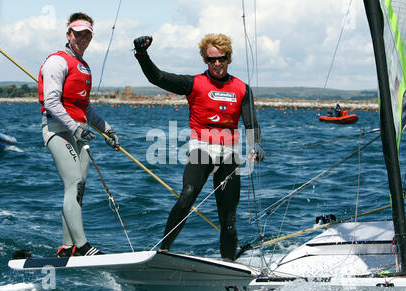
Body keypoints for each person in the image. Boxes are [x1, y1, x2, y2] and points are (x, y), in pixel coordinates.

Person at [133, 34, 264, 261]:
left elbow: (251, 123)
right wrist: (142, 54)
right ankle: (164, 251)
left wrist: (256, 145)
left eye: (221, 58)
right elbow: (158, 77)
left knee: (229, 218)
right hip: (202, 147)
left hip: (229, 152)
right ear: (205, 60)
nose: (216, 64)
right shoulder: (193, 83)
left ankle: (229, 266)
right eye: (211, 59)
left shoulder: (242, 89)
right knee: (188, 194)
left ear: (228, 58)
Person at [38, 12, 120, 257]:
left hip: (79, 132)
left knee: (78, 188)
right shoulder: (57, 61)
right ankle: (83, 247)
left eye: (87, 35)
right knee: (73, 182)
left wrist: (107, 129)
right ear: (68, 34)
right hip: (58, 130)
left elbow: (85, 108)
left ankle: (67, 247)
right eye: (78, 34)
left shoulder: (84, 67)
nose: (82, 39)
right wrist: (75, 128)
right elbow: (52, 103)